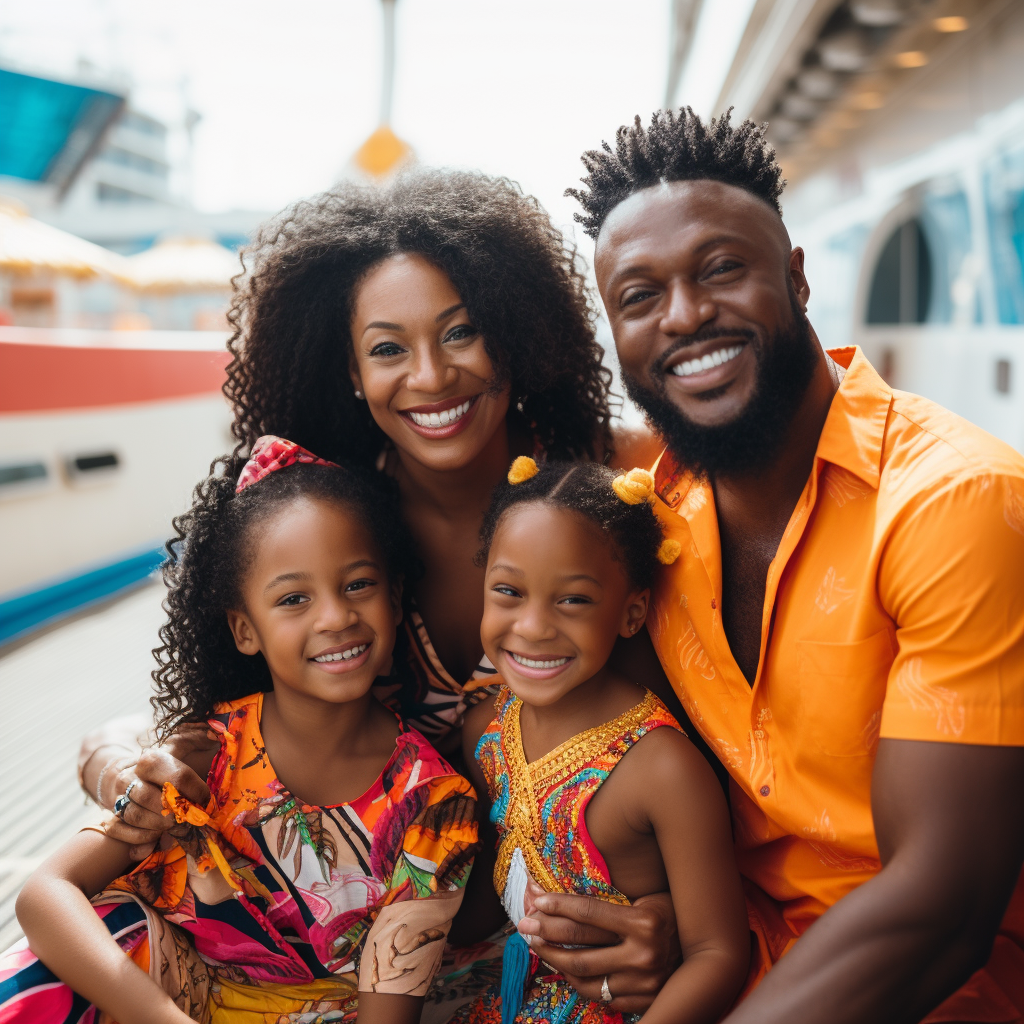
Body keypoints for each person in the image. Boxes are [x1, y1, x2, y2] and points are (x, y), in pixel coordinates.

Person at [75, 170, 678, 1010]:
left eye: (462, 333)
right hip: (363, 969)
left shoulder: (626, 488)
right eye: (388, 348)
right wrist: (121, 765)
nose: (430, 376)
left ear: (513, 333)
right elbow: (203, 712)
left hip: (565, 965)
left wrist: (674, 925)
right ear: (351, 373)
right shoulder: (332, 526)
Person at [514, 107, 1024, 1023]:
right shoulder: (646, 523)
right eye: (639, 296)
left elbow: (942, 907)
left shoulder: (957, 502)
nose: (685, 315)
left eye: (722, 270)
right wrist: (663, 921)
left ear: (795, 278)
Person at [1, 437, 478, 1024]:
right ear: (244, 630)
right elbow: (46, 894)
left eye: (358, 585)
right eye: (294, 598)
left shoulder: (432, 802)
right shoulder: (207, 752)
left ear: (396, 597)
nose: (335, 616)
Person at [452, 457, 749, 1024]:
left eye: (574, 600)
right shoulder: (485, 731)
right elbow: (496, 897)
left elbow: (717, 955)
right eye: (509, 591)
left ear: (631, 612)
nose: (534, 626)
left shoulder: (663, 769)